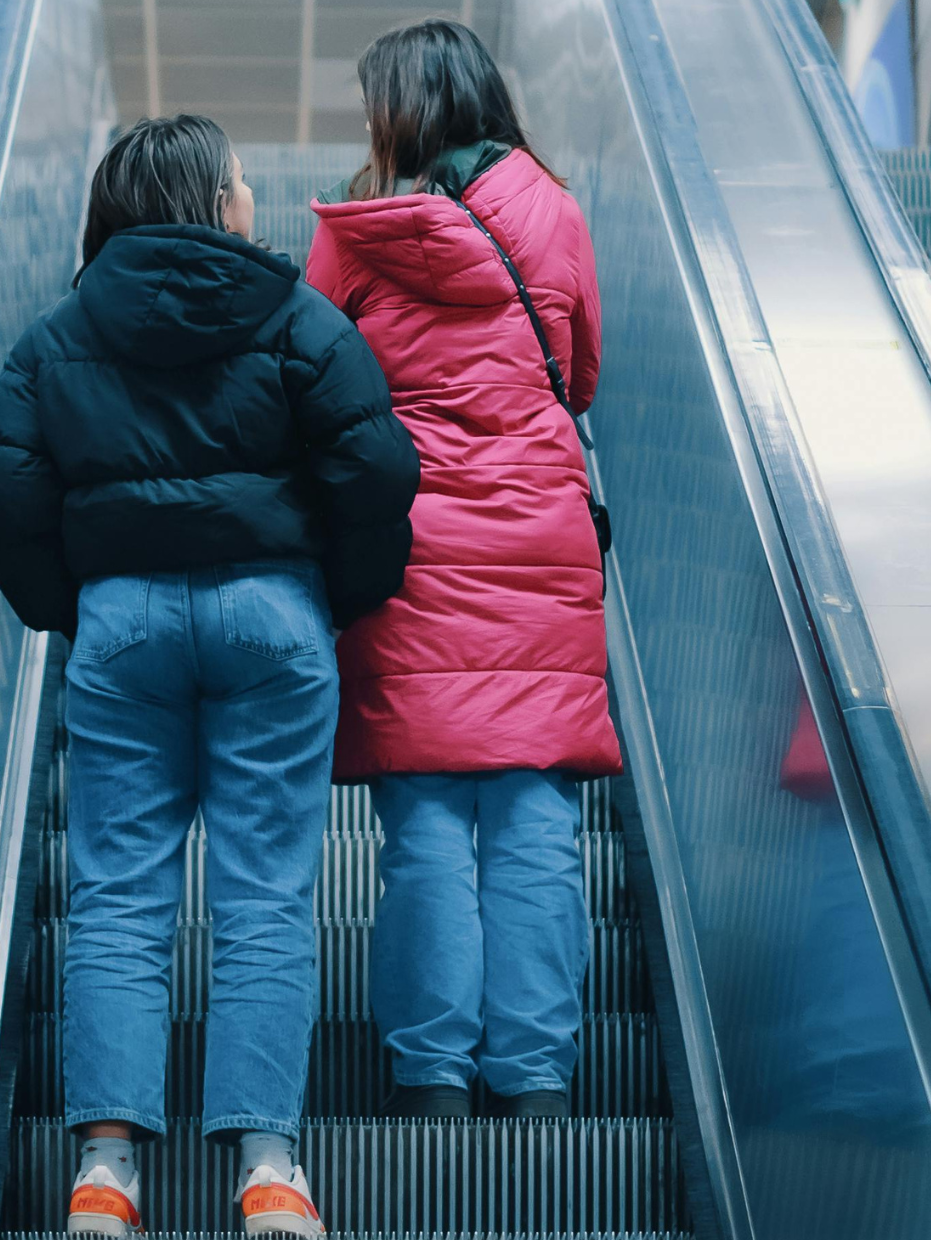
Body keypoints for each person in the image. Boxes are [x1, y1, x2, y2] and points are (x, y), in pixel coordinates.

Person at [0, 114, 419, 1236]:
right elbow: (375, 472)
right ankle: (268, 1174)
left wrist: (76, 609)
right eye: (241, 180)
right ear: (215, 203)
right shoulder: (299, 319)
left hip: (121, 622)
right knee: (264, 893)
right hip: (273, 612)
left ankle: (104, 1176)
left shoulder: (55, 336)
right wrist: (331, 598)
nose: (251, 196)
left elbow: (9, 500)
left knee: (118, 895)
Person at [305, 19, 623, 1121]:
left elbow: (320, 391)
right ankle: (534, 1080)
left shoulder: (355, 236)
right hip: (540, 539)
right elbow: (578, 375)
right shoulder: (556, 210)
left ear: (398, 112)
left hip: (413, 547)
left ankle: (432, 1076)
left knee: (426, 826)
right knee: (535, 818)